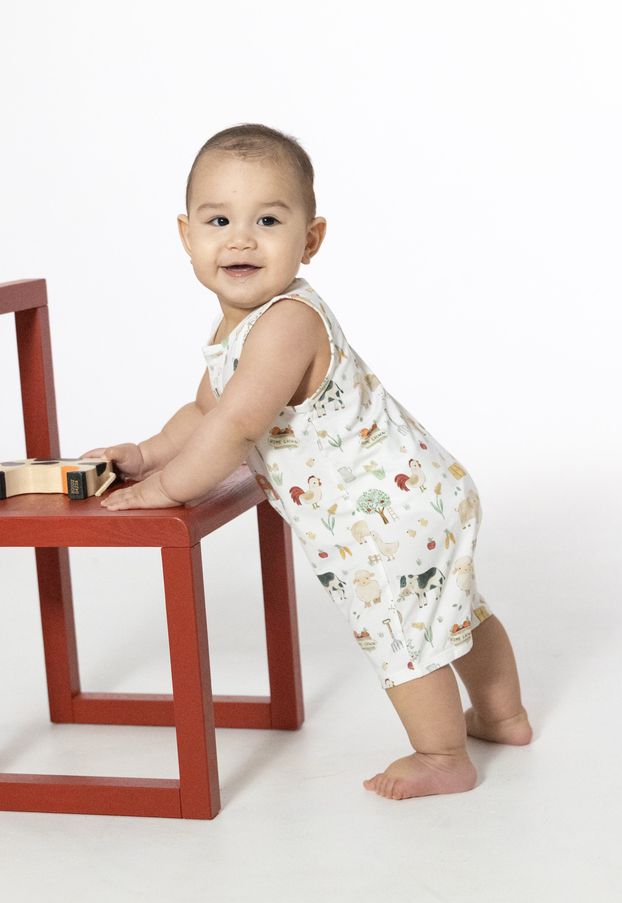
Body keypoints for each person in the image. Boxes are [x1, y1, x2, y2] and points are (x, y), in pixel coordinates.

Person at [83, 122, 532, 802]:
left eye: (267, 220)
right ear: (187, 236)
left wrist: (167, 488)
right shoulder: (239, 326)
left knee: (400, 632)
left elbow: (236, 426)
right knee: (456, 608)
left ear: (310, 239)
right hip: (423, 492)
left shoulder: (287, 321)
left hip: (381, 510)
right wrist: (146, 454)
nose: (241, 239)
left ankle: (443, 755)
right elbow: (204, 411)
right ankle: (503, 716)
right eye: (219, 220)